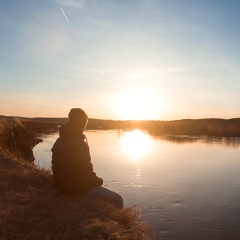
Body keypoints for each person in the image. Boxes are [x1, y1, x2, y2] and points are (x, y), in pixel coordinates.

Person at [51, 108, 123, 209]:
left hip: (59, 184)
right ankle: (119, 222)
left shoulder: (59, 140)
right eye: (85, 121)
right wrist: (99, 180)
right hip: (74, 188)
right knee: (118, 199)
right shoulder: (80, 144)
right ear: (83, 122)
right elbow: (87, 176)